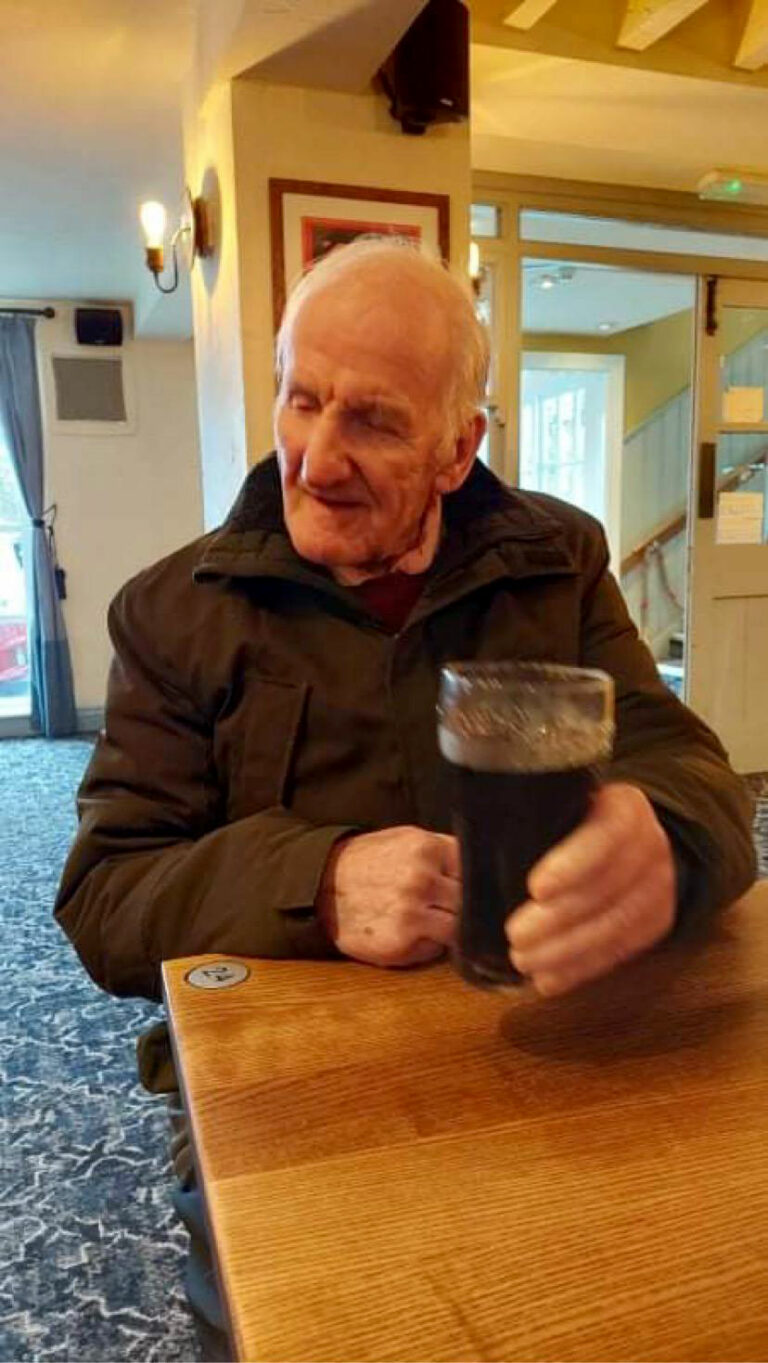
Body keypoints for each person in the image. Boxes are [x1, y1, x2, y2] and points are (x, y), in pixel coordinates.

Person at [55, 238, 756, 1355]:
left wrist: (663, 837)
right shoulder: (171, 611)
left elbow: (698, 776)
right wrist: (319, 880)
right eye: (300, 401)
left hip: (543, 1029)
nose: (315, 459)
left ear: (457, 448)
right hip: (286, 1085)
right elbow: (106, 896)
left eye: (375, 421)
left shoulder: (559, 559)